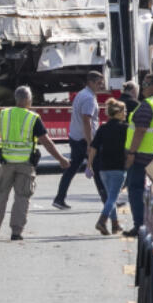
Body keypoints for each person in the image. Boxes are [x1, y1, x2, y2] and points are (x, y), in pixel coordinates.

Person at [0, 85, 67, 241]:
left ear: (16, 99)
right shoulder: (33, 118)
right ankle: (16, 232)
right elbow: (47, 143)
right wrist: (61, 159)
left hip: (6, 163)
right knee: (22, 197)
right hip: (25, 164)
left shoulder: (4, 114)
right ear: (28, 99)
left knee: (0, 196)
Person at [123, 74, 153, 237]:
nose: (143, 87)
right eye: (143, 84)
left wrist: (131, 153)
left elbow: (140, 131)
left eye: (147, 84)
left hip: (142, 159)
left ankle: (140, 225)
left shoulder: (147, 105)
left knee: (136, 189)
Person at [53, 70, 104, 210]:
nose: (101, 86)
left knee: (72, 168)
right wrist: (90, 143)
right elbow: (87, 121)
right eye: (99, 83)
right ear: (90, 82)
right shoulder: (88, 98)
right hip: (84, 140)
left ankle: (59, 198)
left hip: (76, 137)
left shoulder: (82, 94)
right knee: (98, 169)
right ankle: (107, 200)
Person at [88, 99, 129, 234]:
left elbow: (93, 147)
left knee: (110, 197)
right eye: (124, 111)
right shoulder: (125, 128)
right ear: (118, 113)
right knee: (113, 198)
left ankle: (115, 224)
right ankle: (102, 220)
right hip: (118, 167)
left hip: (103, 168)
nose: (126, 113)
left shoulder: (103, 128)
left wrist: (89, 164)